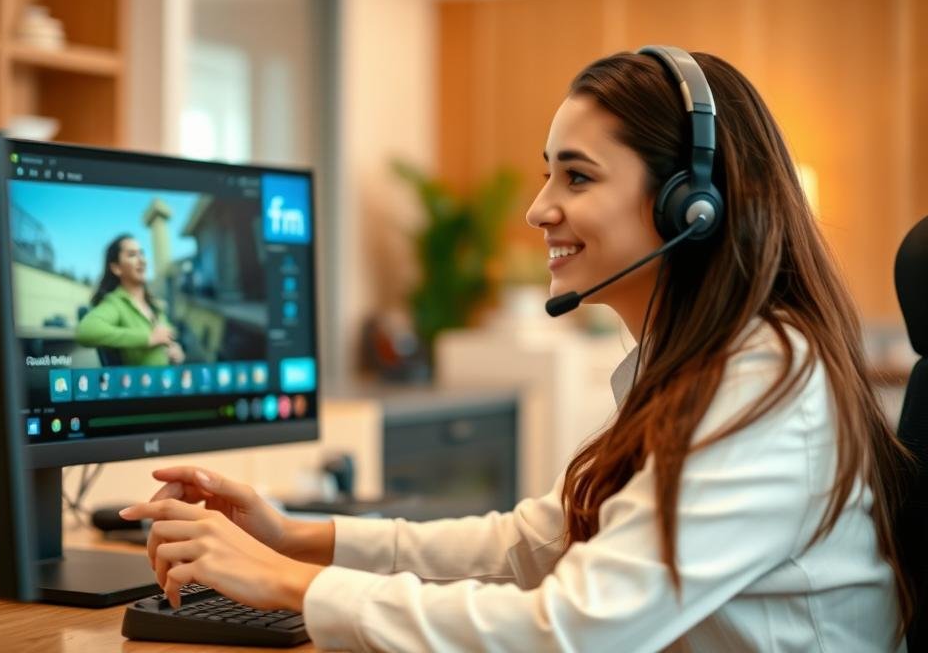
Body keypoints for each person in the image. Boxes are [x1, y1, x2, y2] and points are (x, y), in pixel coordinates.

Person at [120, 48, 912, 651]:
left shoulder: (762, 380)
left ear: (691, 206)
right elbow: (540, 541)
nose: (539, 209)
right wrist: (301, 535)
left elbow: (572, 628)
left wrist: (290, 585)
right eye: (547, 175)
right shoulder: (699, 365)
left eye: (576, 177)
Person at [75, 234, 184, 367]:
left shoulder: (155, 306)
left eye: (142, 254)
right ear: (117, 268)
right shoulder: (115, 303)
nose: (142, 260)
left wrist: (175, 351)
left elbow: (166, 338)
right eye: (132, 255)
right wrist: (148, 338)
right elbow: (86, 331)